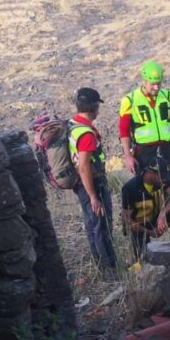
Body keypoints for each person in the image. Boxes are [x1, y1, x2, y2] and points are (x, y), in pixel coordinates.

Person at [118, 61, 170, 183]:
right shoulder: (130, 100)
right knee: (147, 191)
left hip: (167, 148)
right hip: (144, 152)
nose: (156, 88)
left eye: (159, 84)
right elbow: (123, 131)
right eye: (153, 84)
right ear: (144, 81)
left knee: (169, 186)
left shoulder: (167, 96)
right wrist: (128, 156)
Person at [70, 87, 118, 276]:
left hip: (81, 184)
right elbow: (84, 166)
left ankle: (100, 266)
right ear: (94, 107)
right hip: (92, 184)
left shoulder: (72, 125)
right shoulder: (86, 134)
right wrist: (93, 196)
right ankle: (110, 270)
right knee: (101, 227)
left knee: (92, 225)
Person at [120, 162, 170, 262]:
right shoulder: (130, 188)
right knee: (143, 260)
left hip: (157, 217)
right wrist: (150, 232)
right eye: (161, 175)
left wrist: (163, 214)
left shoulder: (163, 181)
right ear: (149, 173)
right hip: (141, 226)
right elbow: (127, 219)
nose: (164, 179)